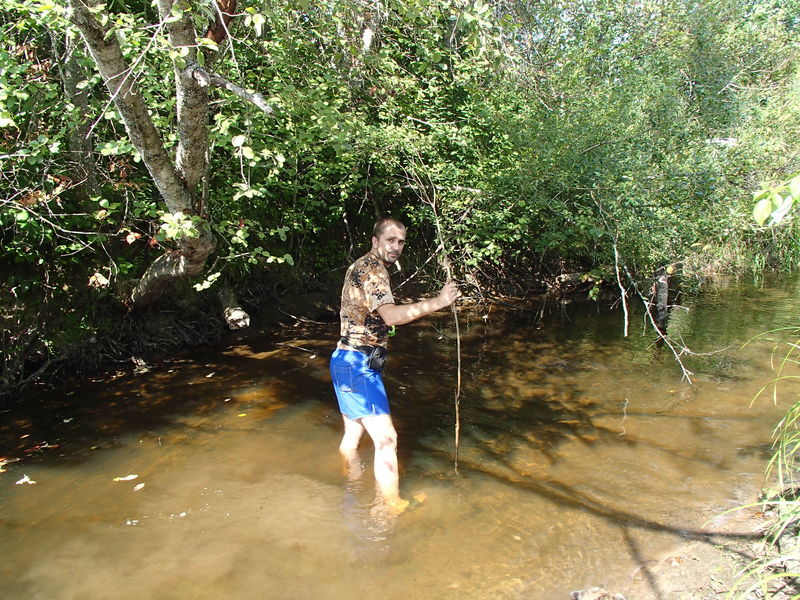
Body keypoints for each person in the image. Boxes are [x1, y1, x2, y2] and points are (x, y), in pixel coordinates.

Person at [330, 217, 460, 514]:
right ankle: (391, 504)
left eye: (401, 241)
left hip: (344, 361)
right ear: (375, 241)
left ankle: (350, 488)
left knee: (352, 436)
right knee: (387, 439)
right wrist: (439, 301)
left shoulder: (361, 265)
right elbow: (391, 316)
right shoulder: (374, 270)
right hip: (358, 364)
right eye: (390, 240)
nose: (396, 246)